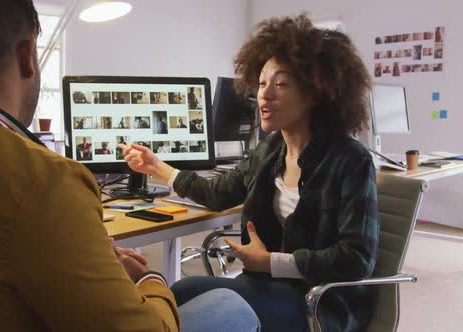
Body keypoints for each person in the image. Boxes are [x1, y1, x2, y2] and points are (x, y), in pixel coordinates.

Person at [0, 1, 261, 332]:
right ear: (28, 56)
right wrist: (148, 277)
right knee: (229, 305)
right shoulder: (47, 181)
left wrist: (77, 247)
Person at [120, 14, 378, 332]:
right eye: (261, 83)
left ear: (315, 93)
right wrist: (158, 167)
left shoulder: (350, 160)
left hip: (320, 301)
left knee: (186, 305)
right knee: (178, 292)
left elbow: (356, 258)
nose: (264, 94)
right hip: (268, 286)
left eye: (281, 84)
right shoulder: (269, 151)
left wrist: (270, 262)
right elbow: (218, 194)